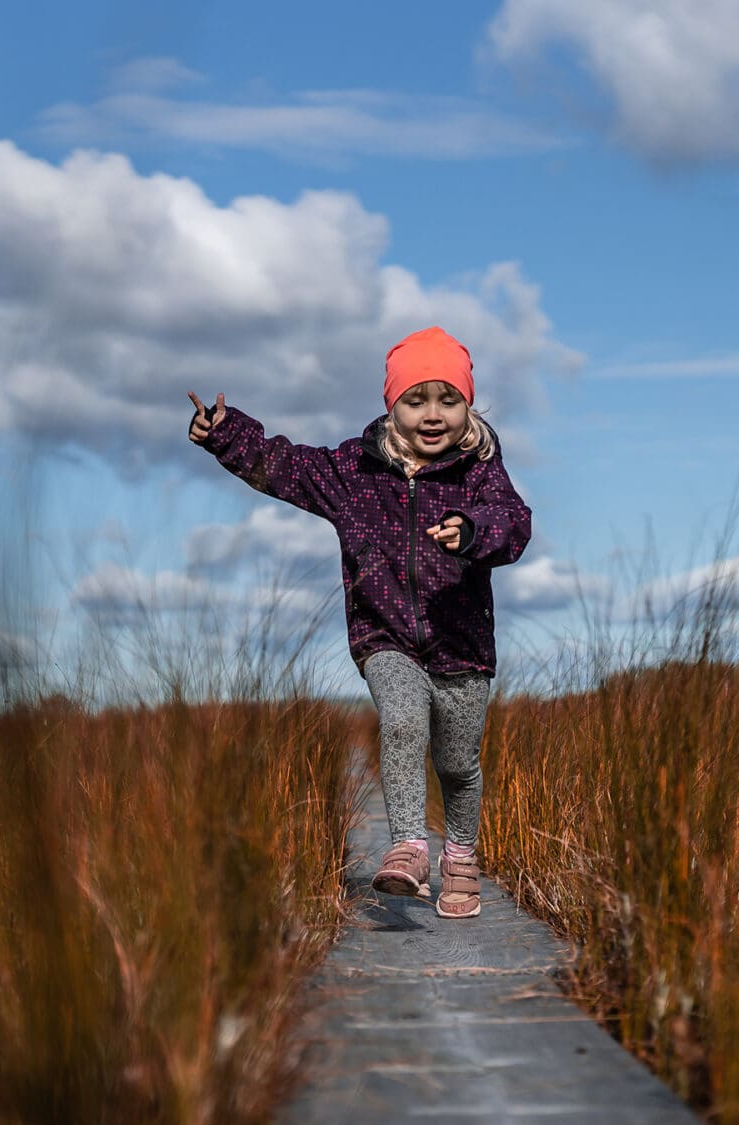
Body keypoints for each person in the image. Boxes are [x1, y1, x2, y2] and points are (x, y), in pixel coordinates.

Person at [185, 326, 532, 919]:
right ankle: (406, 848)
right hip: (385, 635)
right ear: (389, 405)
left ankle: (462, 857)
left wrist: (473, 532)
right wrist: (227, 435)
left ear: (468, 404)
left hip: (462, 646)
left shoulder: (480, 471)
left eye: (448, 399)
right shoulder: (353, 471)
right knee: (400, 720)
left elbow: (514, 524)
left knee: (457, 762)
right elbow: (285, 466)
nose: (432, 414)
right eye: (414, 399)